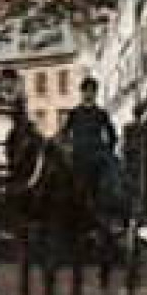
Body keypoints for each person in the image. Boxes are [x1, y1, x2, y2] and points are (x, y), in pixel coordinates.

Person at [59, 76, 122, 214]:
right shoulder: (74, 114)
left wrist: (107, 150)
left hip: (97, 155)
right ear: (82, 93)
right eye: (86, 91)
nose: (88, 94)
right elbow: (64, 133)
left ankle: (112, 207)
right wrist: (68, 148)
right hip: (78, 155)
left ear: (95, 94)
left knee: (113, 176)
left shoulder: (101, 114)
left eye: (91, 91)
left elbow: (112, 135)